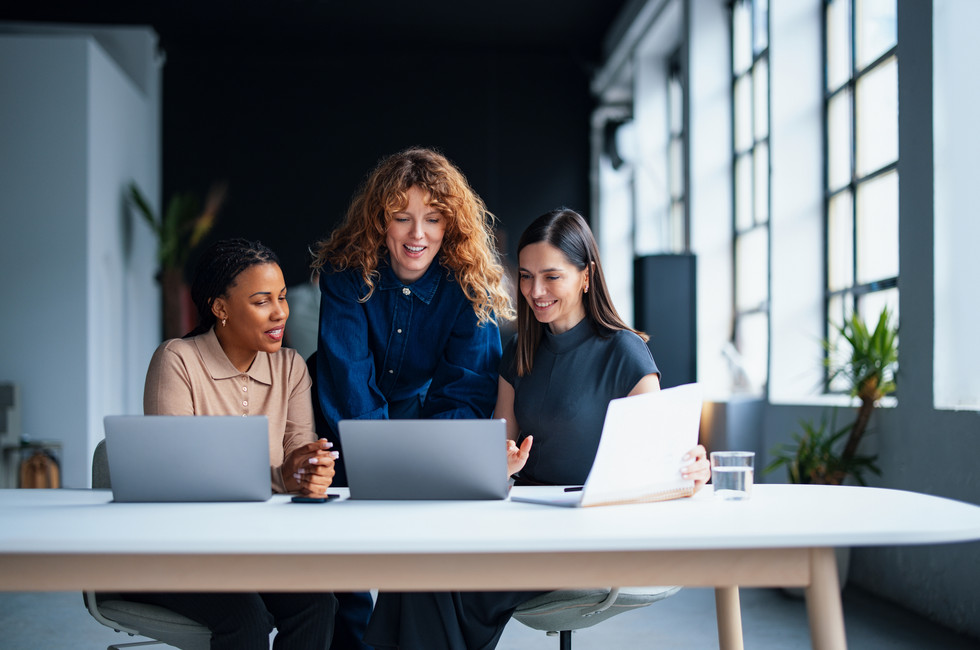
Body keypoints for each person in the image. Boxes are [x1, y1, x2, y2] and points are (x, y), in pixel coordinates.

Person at [364, 208, 711, 650]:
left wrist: (689, 469)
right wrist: (502, 465)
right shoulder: (519, 351)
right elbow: (499, 452)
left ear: (586, 277)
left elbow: (657, 464)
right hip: (522, 519)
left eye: (552, 277)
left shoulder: (624, 353)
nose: (535, 291)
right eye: (526, 277)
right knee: (418, 557)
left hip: (587, 530)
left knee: (446, 577)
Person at [311, 147, 514, 649]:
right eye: (401, 217)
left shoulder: (469, 284)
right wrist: (383, 466)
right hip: (336, 411)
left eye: (432, 219)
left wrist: (428, 465)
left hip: (419, 415)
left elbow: (466, 389)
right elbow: (348, 379)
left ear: (451, 225)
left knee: (421, 538)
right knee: (341, 560)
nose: (416, 234)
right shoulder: (345, 272)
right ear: (380, 221)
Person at [129, 238, 338, 650]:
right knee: (247, 620)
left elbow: (299, 455)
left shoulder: (290, 367)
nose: (280, 312)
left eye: (282, 297)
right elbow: (177, 475)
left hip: (254, 548)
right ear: (220, 308)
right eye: (262, 301)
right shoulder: (177, 360)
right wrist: (281, 477)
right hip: (175, 550)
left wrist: (312, 472)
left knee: (319, 604)